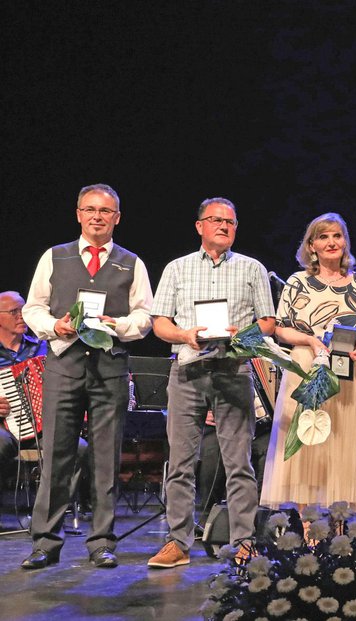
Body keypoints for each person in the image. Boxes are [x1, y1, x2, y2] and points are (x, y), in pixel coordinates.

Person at [21, 184, 153, 569]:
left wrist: (119, 325)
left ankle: (101, 542)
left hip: (109, 366)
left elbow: (145, 317)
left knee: (105, 457)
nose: (98, 216)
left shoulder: (132, 263)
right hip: (63, 364)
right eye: (90, 209)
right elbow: (32, 308)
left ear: (117, 218)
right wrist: (54, 326)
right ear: (78, 214)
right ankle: (46, 542)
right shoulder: (54, 257)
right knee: (57, 455)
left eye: (106, 211)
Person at [147, 197, 275, 569]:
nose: (224, 226)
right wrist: (185, 334)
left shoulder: (252, 268)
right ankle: (177, 542)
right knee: (181, 462)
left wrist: (243, 334)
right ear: (199, 225)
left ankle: (243, 542)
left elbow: (267, 322)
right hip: (187, 372)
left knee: (240, 463)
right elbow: (159, 323)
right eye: (216, 220)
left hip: (233, 370)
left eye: (231, 222)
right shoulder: (177, 268)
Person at [261, 213, 356, 514]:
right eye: (323, 237)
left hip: (348, 372)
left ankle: (339, 525)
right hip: (305, 367)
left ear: (345, 242)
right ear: (311, 245)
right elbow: (280, 328)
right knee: (307, 447)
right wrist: (312, 341)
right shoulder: (298, 282)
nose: (331, 242)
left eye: (337, 235)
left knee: (342, 445)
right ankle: (310, 525)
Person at [0, 291, 89, 510]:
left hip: (43, 427)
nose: (22, 316)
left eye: (24, 310)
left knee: (79, 448)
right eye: (14, 311)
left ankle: (50, 514)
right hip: (3, 427)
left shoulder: (42, 348)